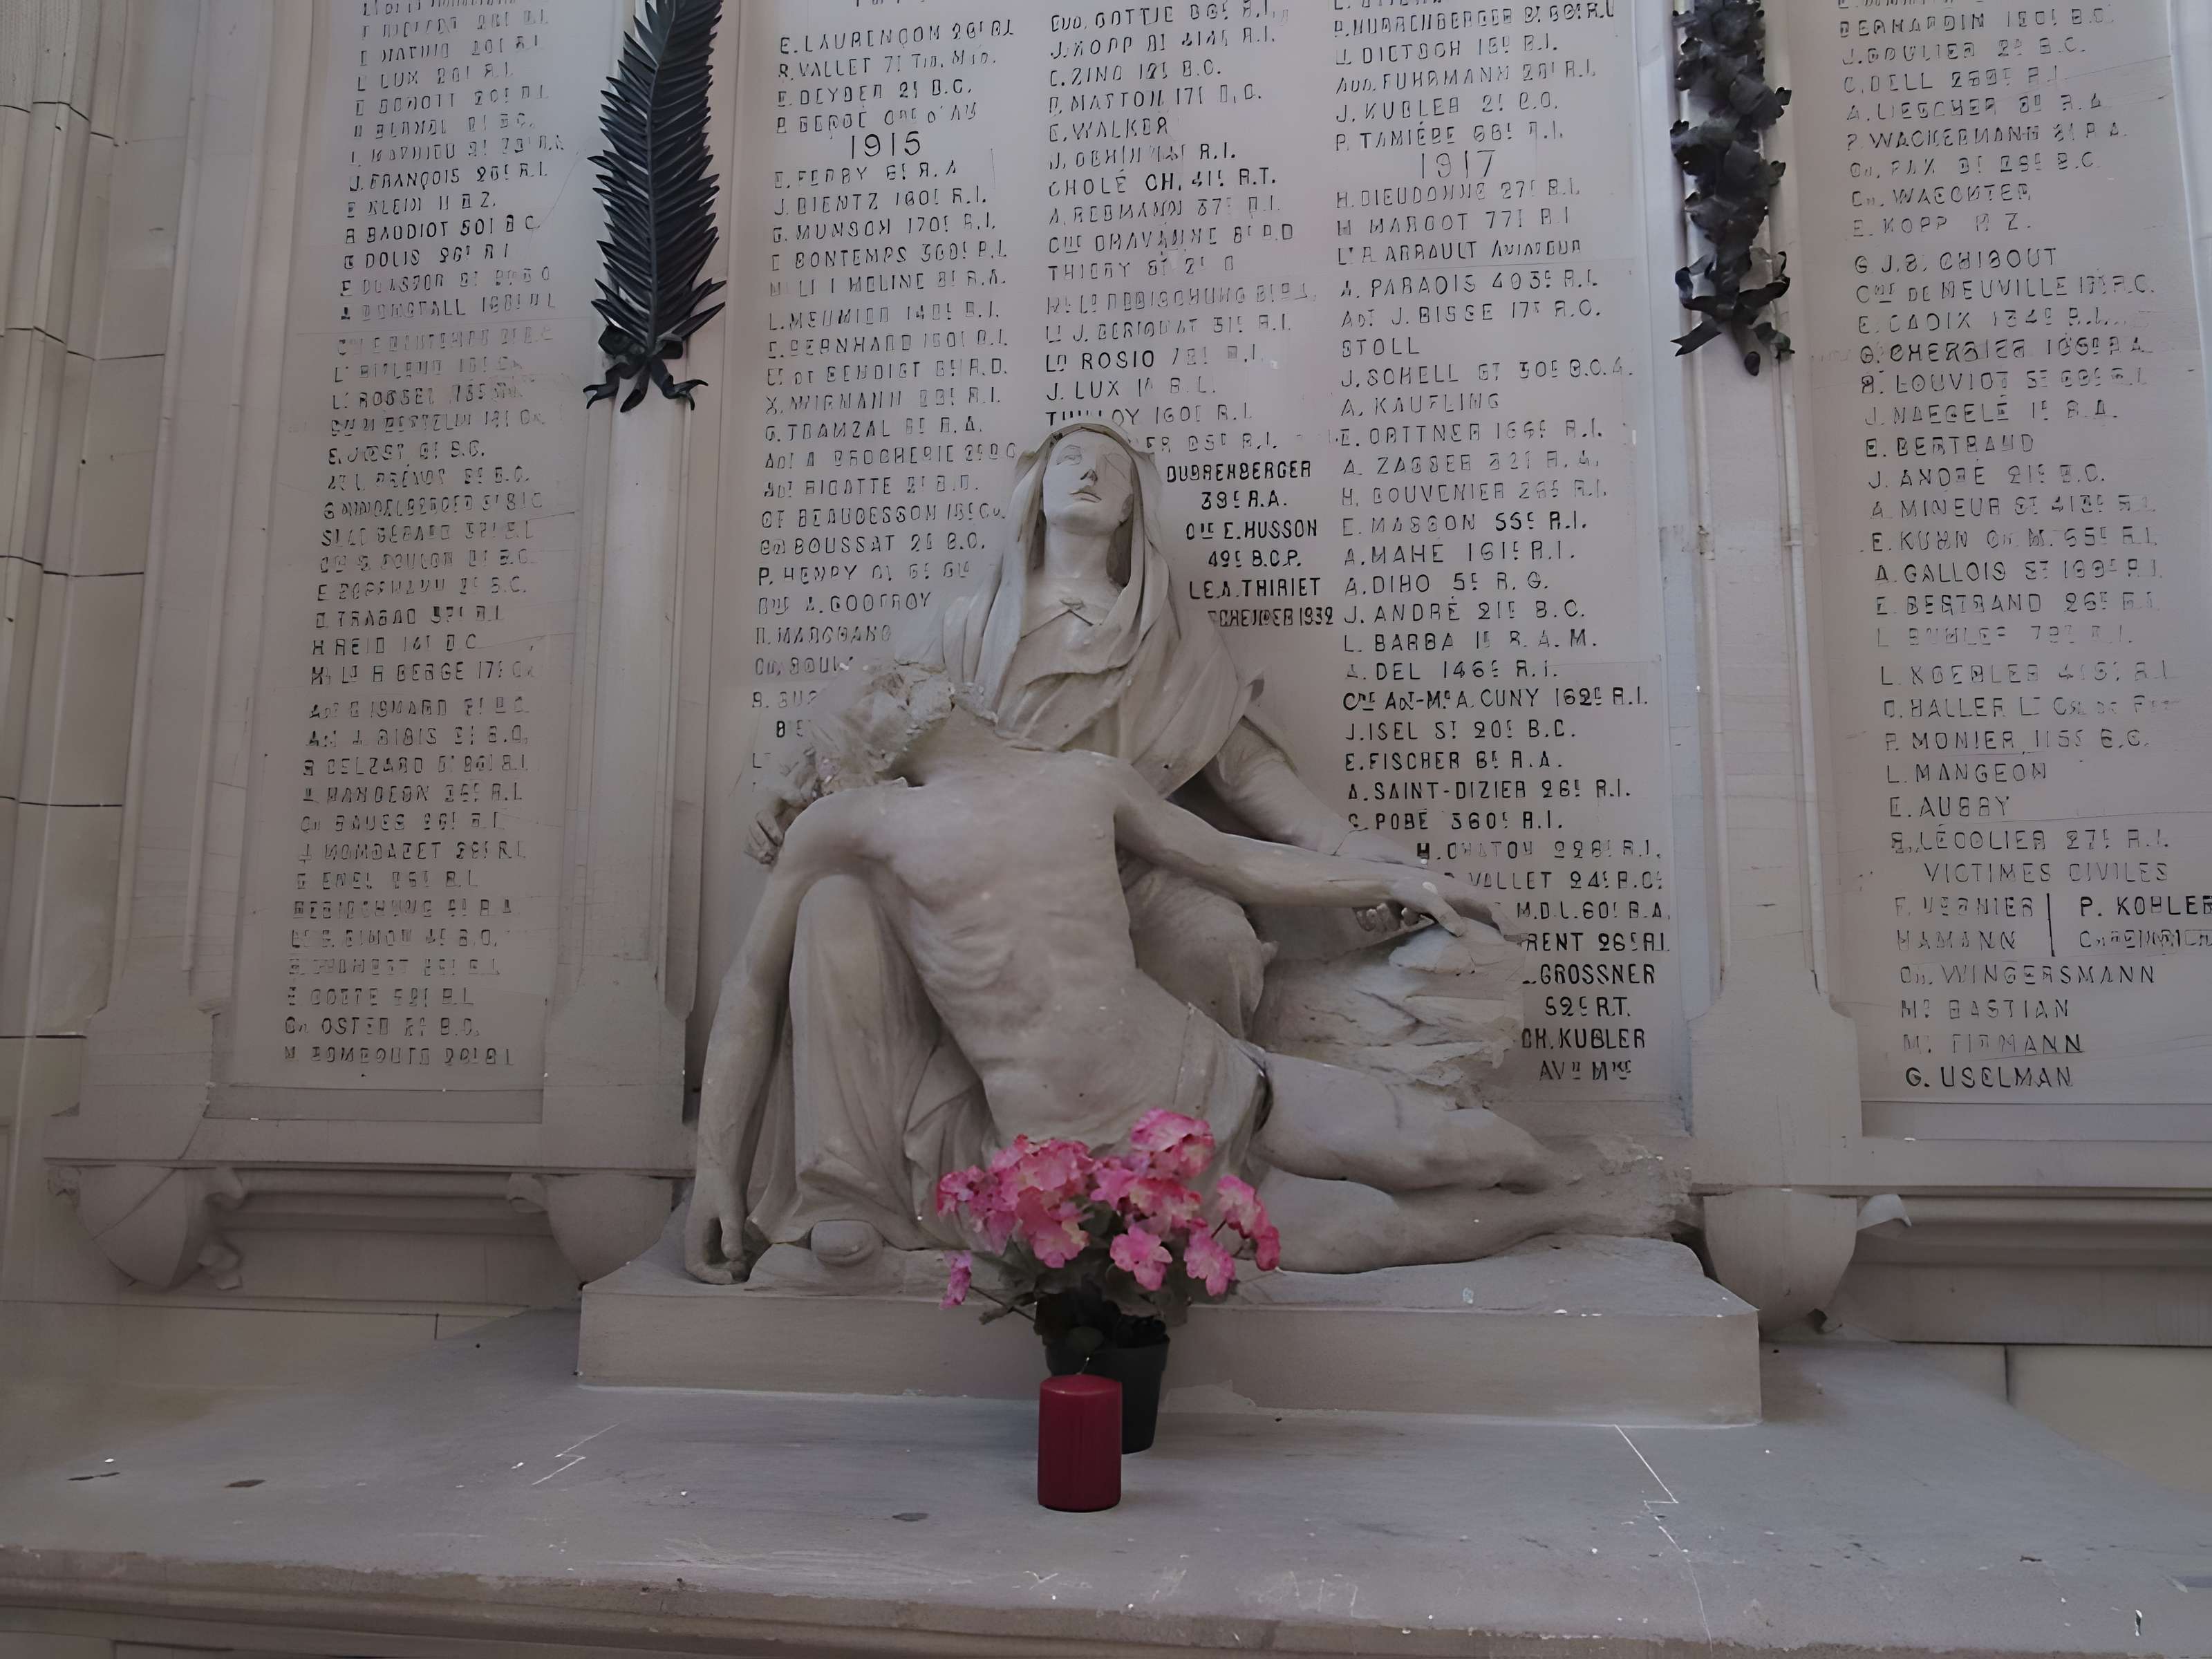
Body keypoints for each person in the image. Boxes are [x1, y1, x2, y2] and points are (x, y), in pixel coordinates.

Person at [686, 664, 1645, 1286]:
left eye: (894, 679)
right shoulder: (857, 825)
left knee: (1438, 1143)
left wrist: (1404, 877)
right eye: (865, 698)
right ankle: (1564, 1214)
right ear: (858, 750)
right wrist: (713, 1178)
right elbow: (753, 995)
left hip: (1206, 1073)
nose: (890, 689)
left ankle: (1582, 1190)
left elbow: (1240, 861)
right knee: (1368, 1234)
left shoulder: (1084, 781)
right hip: (1092, 1160)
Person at [745, 422, 1416, 1037]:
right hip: (982, 863)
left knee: (1216, 946)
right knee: (852, 930)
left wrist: (1345, 845)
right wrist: (793, 781)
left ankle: (1188, 1148)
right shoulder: (959, 624)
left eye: (1110, 469)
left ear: (1129, 508)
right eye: (1070, 461)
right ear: (1038, 492)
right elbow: (872, 710)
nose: (1089, 474)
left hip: (1126, 862)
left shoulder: (1175, 641)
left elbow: (1240, 767)